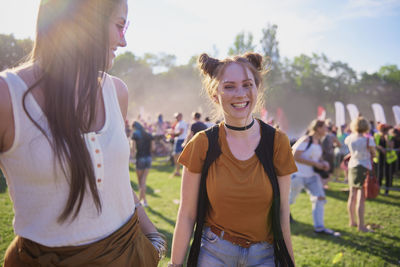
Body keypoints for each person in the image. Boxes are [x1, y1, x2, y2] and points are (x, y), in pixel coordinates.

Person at [0, 1, 164, 266]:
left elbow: (117, 179)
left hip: (131, 255)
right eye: (120, 26)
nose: (123, 42)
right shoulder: (7, 96)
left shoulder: (117, 91)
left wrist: (154, 239)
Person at [169, 53, 297, 267]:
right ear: (214, 95)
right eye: (229, 87)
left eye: (247, 85)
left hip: (264, 256)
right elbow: (187, 213)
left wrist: (289, 262)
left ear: (257, 89)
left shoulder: (277, 142)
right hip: (213, 254)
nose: (240, 94)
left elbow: (283, 213)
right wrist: (174, 264)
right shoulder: (202, 144)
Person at [290, 119, 340, 236]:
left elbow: (316, 157)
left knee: (320, 198)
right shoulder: (306, 139)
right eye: (325, 127)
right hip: (298, 176)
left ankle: (319, 228)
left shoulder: (319, 141)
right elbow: (294, 156)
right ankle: (271, 221)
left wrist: (323, 163)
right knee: (288, 201)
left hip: (312, 176)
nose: (327, 129)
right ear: (318, 128)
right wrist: (315, 163)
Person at [344, 117, 376, 232]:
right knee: (360, 198)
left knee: (352, 195)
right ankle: (361, 226)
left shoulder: (349, 138)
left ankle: (352, 221)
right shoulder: (369, 140)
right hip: (364, 166)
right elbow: (374, 153)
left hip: (352, 165)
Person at [131, 121, 154, 207]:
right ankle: (143, 200)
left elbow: (132, 148)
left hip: (140, 158)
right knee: (143, 181)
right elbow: (153, 148)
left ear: (134, 127)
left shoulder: (135, 134)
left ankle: (141, 202)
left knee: (141, 181)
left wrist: (132, 157)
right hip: (148, 158)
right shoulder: (148, 134)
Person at [171, 112, 188, 176]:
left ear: (180, 116)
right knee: (176, 156)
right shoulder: (179, 123)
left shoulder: (182, 123)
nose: (175, 118)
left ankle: (178, 171)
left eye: (176, 117)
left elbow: (180, 132)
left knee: (177, 156)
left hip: (180, 140)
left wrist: (172, 134)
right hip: (179, 140)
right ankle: (177, 171)